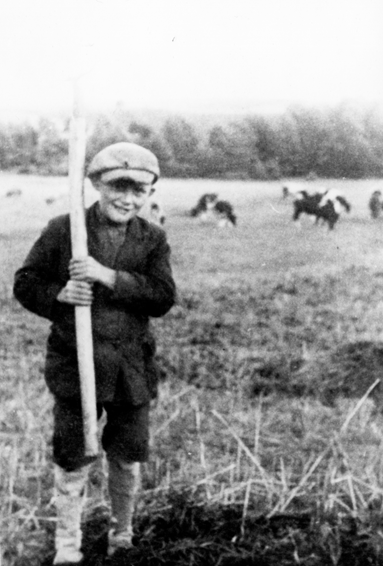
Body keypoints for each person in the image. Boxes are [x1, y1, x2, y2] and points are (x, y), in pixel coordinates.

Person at [13, 142, 176, 564]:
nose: (128, 198)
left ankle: (122, 537)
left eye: (139, 190)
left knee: (127, 456)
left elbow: (161, 296)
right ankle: (68, 544)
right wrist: (61, 294)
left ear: (150, 193)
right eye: (118, 186)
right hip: (76, 369)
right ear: (95, 185)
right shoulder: (64, 229)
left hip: (130, 370)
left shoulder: (152, 238)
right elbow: (26, 283)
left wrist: (106, 275)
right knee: (73, 457)